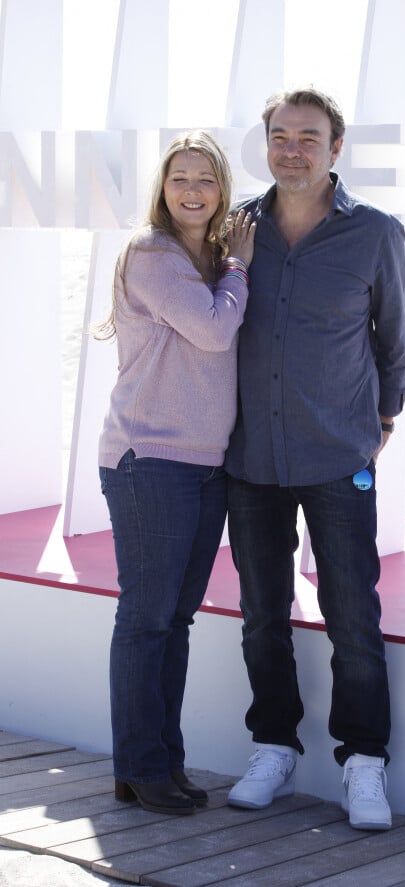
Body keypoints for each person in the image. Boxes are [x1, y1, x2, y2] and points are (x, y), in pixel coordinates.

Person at [225, 88, 405, 831]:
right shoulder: (236, 228)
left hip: (338, 453)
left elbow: (391, 337)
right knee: (261, 613)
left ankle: (363, 761)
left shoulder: (376, 233)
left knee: (352, 614)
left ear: (336, 149)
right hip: (249, 458)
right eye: (279, 135)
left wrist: (384, 414)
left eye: (308, 136)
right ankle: (273, 745)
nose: (291, 148)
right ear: (265, 143)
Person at [97, 130, 255, 815]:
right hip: (149, 460)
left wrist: (232, 265)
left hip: (204, 465)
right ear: (162, 188)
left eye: (207, 179)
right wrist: (241, 270)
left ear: (221, 189)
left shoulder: (211, 256)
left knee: (175, 620)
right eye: (180, 178)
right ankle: (138, 767)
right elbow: (216, 332)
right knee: (146, 618)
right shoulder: (153, 253)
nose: (193, 190)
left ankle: (163, 761)